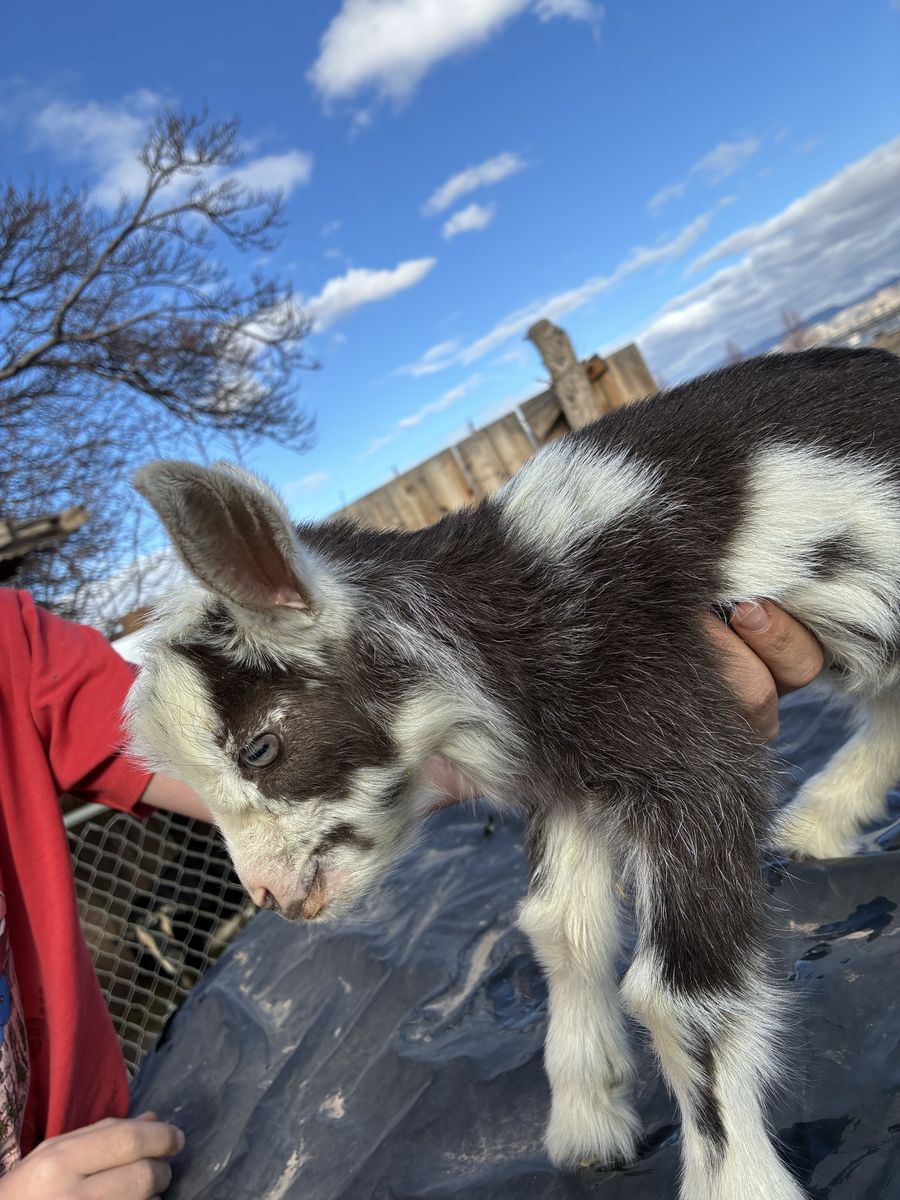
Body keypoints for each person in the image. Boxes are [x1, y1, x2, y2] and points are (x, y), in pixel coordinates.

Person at [0, 588, 823, 1198]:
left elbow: (327, 736)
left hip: (114, 1151)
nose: (261, 895)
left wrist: (596, 688)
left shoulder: (12, 642)